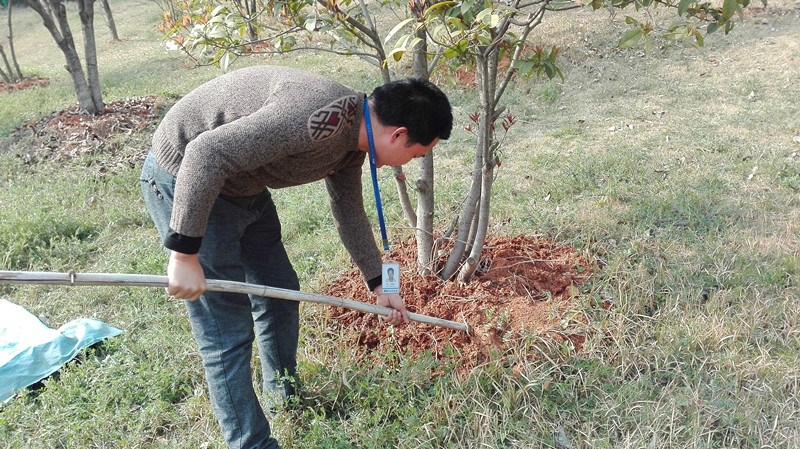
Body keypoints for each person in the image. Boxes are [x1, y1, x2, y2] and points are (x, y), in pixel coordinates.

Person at [139, 65, 453, 449]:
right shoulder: (317, 119)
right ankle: (251, 443)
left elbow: (349, 210)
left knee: (279, 292)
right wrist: (184, 252)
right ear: (398, 134)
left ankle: (283, 397)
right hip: (186, 177)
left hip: (243, 183)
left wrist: (379, 284)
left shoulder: (354, 136)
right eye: (416, 153)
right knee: (227, 329)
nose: (408, 163)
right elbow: (205, 152)